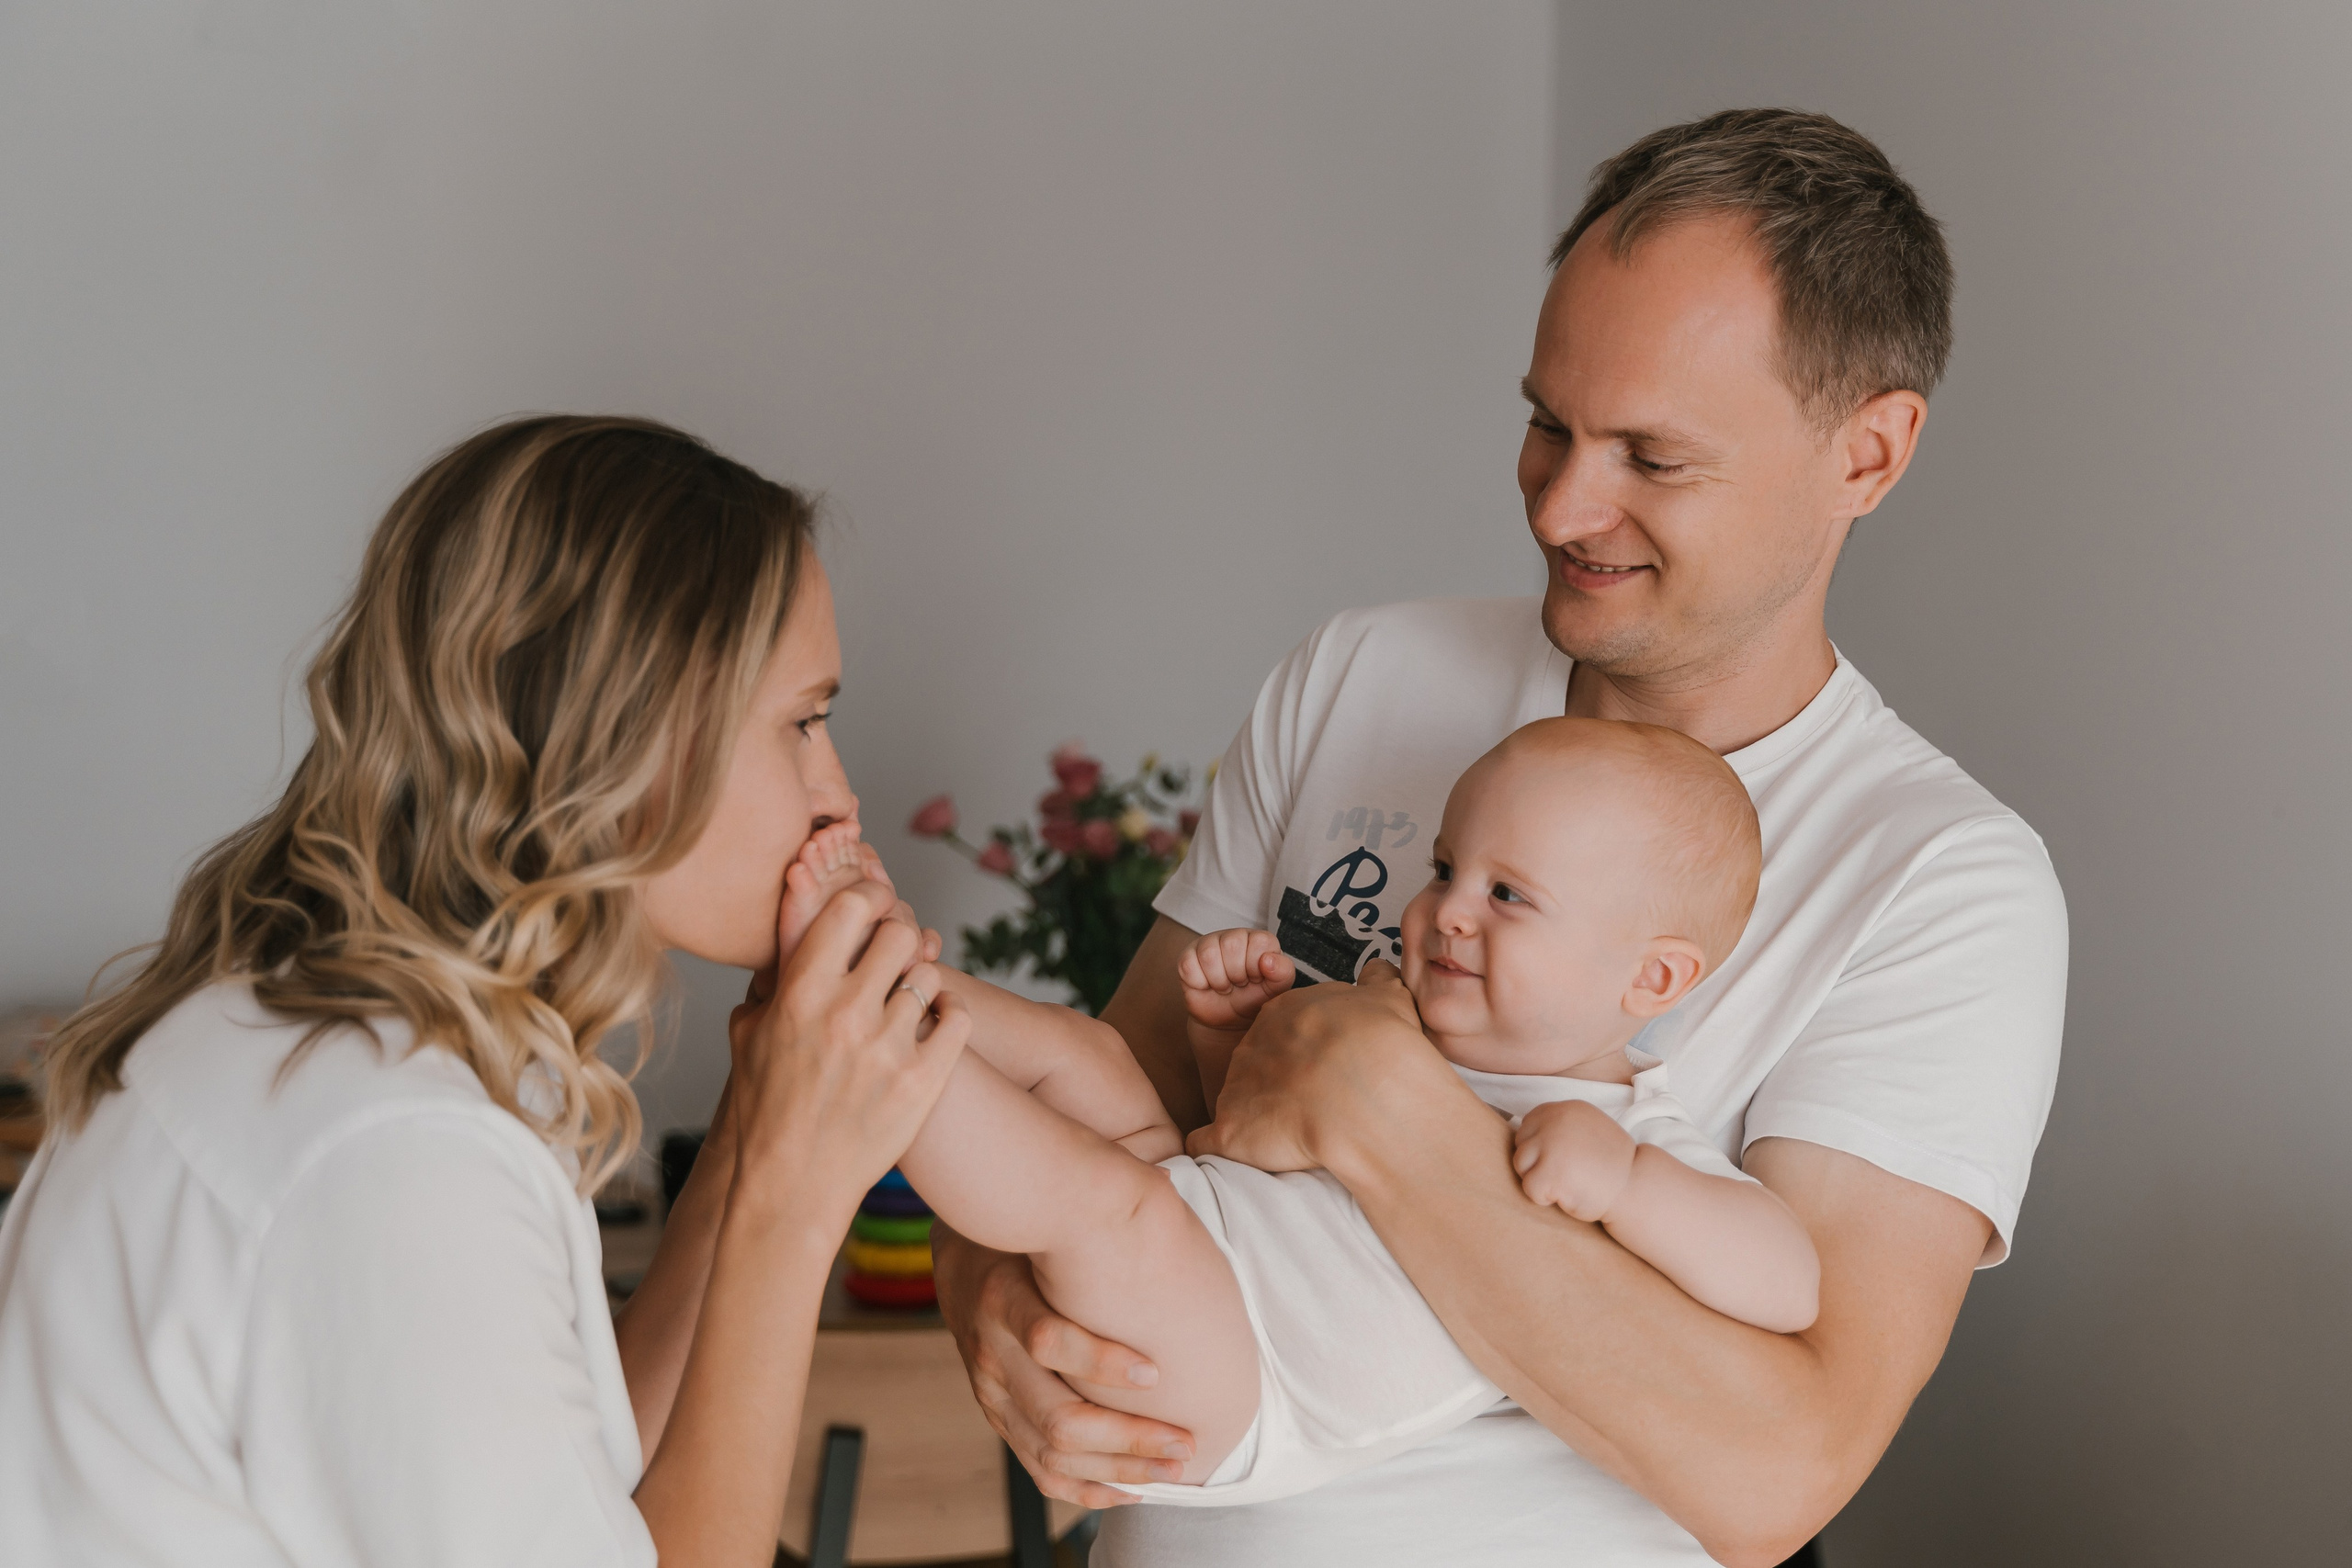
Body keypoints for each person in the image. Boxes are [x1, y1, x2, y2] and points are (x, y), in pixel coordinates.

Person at [935, 108, 2070, 1568]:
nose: (1560, 502)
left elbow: (1776, 1464)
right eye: (1548, 422)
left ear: (1870, 452)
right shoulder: (1363, 674)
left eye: (1653, 459)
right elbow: (1121, 1099)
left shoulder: (1939, 879)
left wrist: (1384, 1105)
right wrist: (984, 1291)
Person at [0, 416, 969, 1567]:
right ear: (632, 740)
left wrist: (763, 1124)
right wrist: (800, 1201)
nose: (837, 798)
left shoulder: (360, 1055)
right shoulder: (388, 1152)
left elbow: (606, 1504)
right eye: (804, 721)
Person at [855, 716, 1817, 1512]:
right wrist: (1230, 1045)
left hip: (1249, 1379)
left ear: (1652, 976)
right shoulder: (1383, 1007)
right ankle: (872, 963)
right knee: (1090, 1058)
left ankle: (853, 1029)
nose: (1448, 910)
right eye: (1445, 869)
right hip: (1204, 1237)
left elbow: (1786, 1282)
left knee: (1103, 1202)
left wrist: (1626, 1182)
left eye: (1508, 895)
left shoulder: (1621, 1123)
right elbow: (1250, 1152)